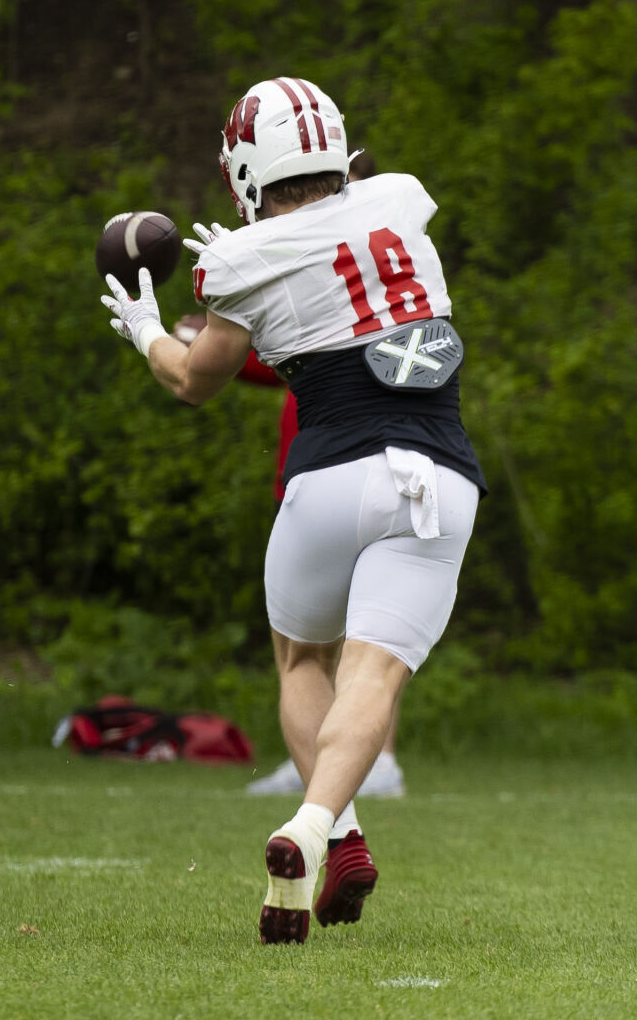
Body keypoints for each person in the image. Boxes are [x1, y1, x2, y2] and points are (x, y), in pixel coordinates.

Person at [101, 78, 484, 944]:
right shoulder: (401, 203)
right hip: (440, 477)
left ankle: (338, 832)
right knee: (373, 673)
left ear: (245, 164)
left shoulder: (243, 260)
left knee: (302, 658)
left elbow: (195, 380)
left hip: (331, 477)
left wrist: (145, 328)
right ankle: (315, 824)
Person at [178, 149, 408, 801]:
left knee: (351, 637)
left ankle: (362, 770)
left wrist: (209, 331)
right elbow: (283, 355)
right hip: (314, 458)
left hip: (347, 455)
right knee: (326, 638)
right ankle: (333, 766)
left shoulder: (368, 275)